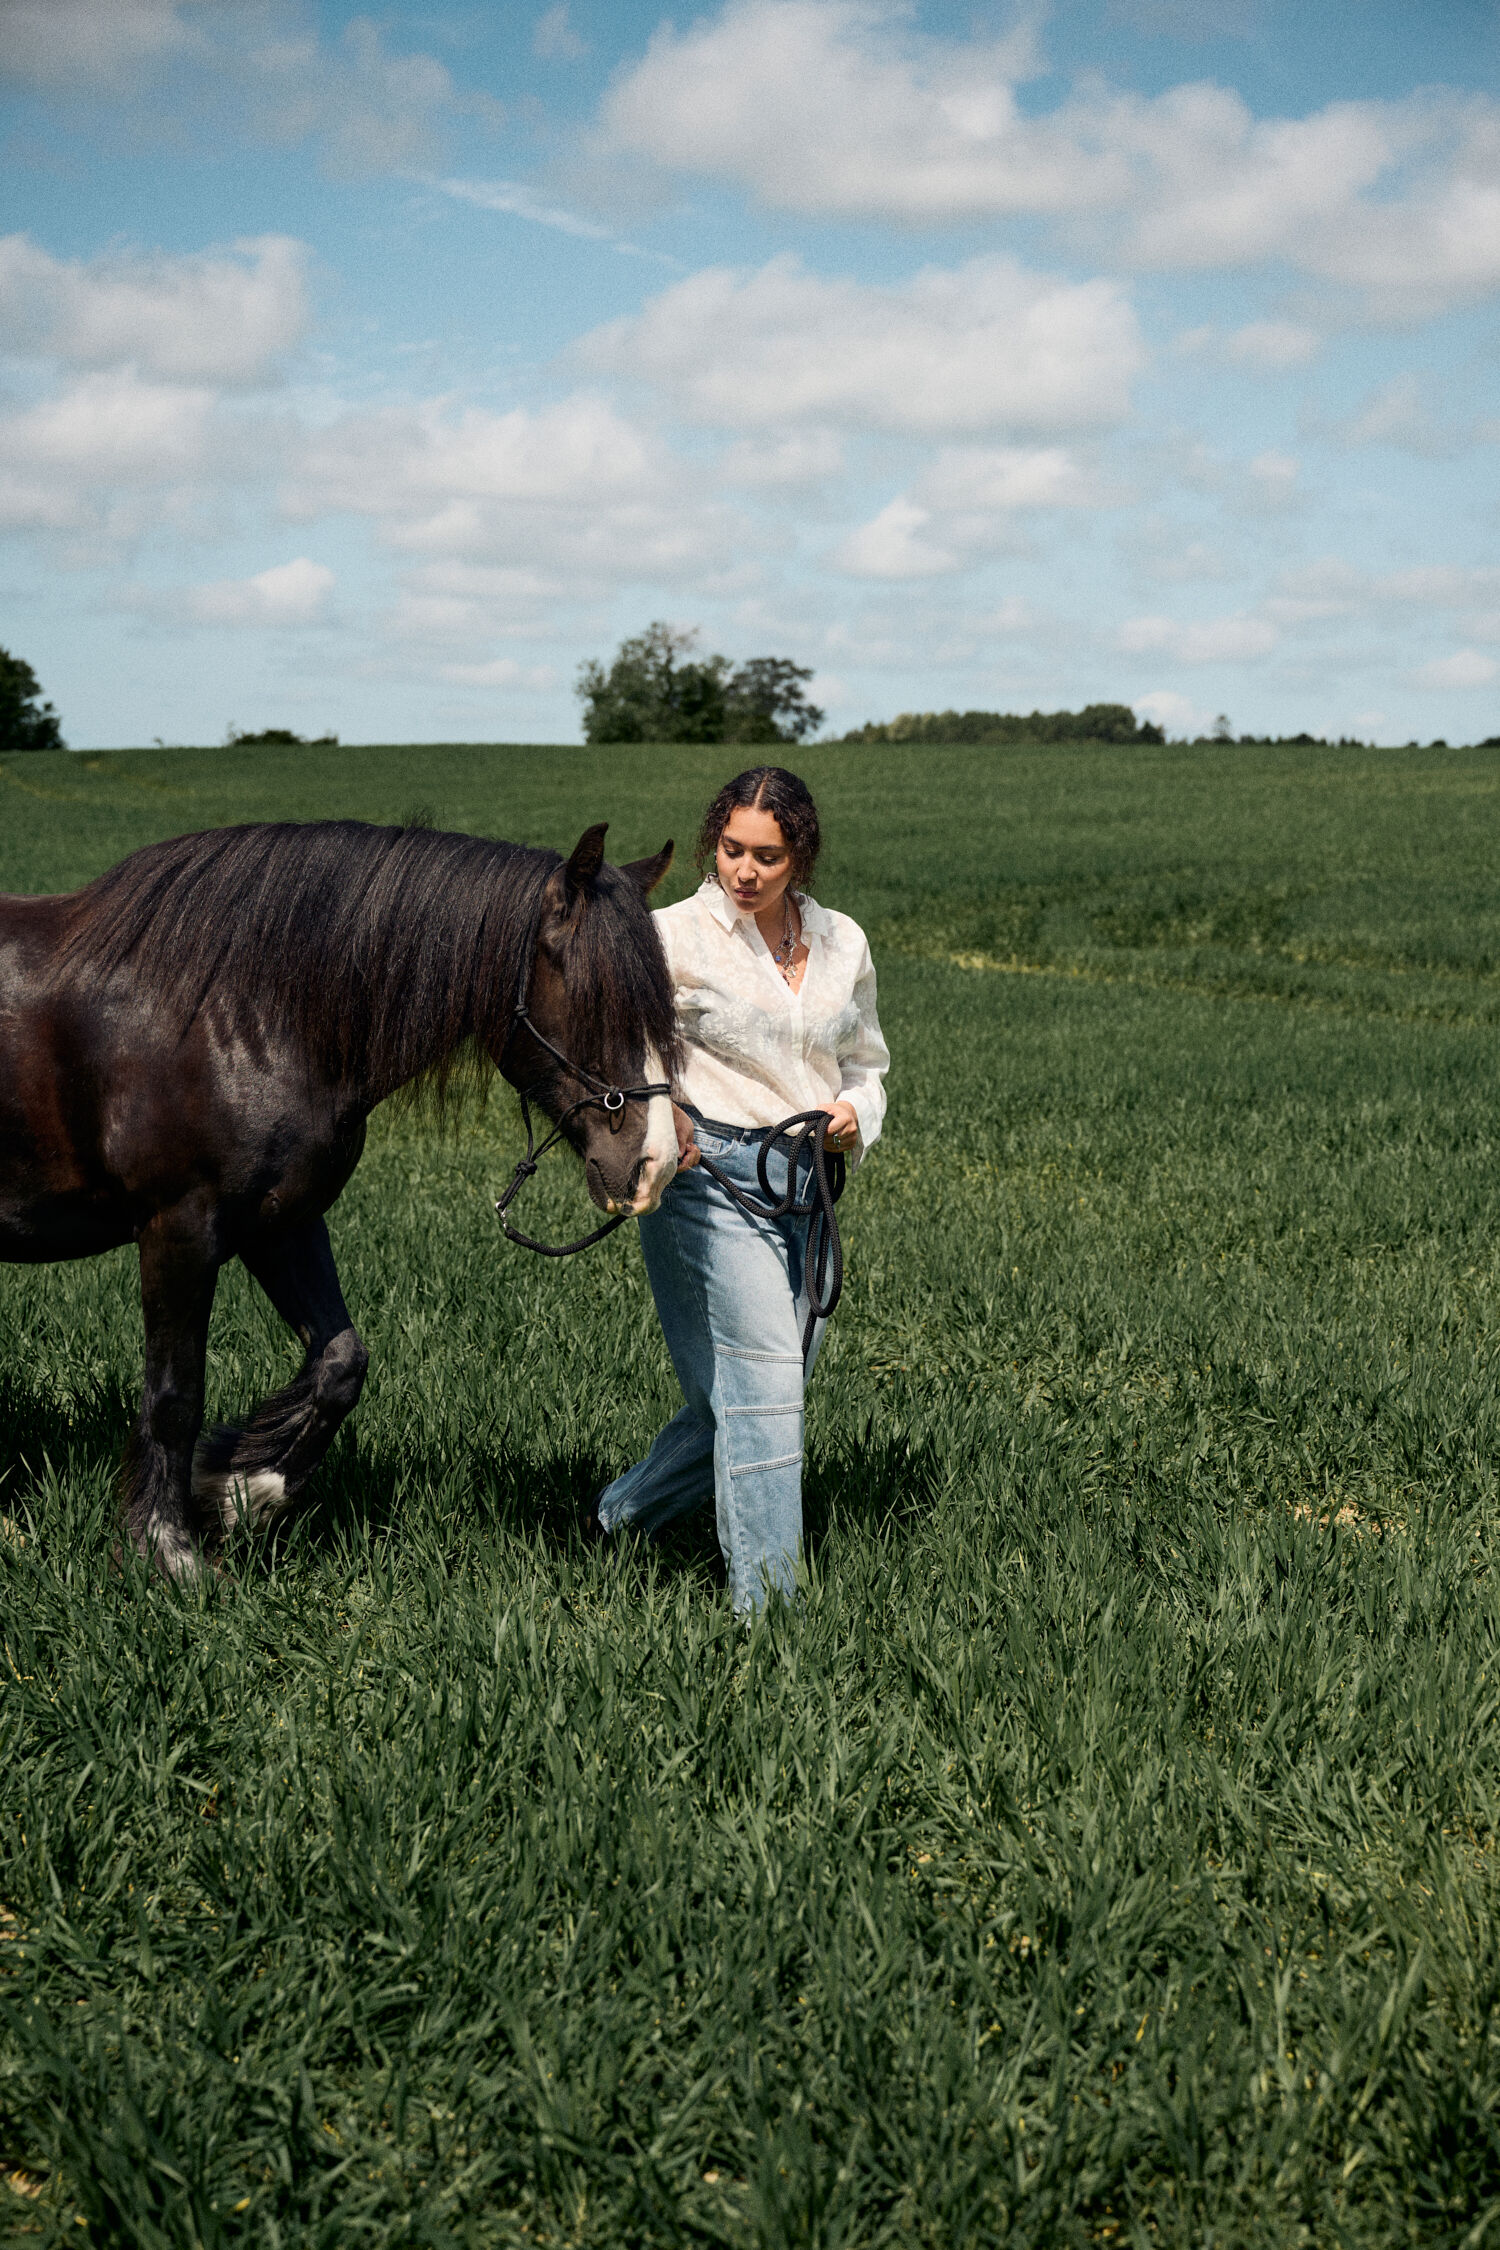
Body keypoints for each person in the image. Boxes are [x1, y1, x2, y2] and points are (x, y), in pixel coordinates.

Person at [592, 765, 890, 1611]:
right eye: (732, 851)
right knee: (766, 1393)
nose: (745, 872)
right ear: (712, 842)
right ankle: (770, 1611)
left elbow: (867, 1061)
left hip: (813, 1187)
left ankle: (620, 1518)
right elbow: (627, 1052)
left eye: (767, 856)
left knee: (759, 1394)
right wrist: (668, 1123)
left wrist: (851, 1110)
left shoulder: (844, 942)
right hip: (711, 1178)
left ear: (800, 857)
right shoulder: (667, 938)